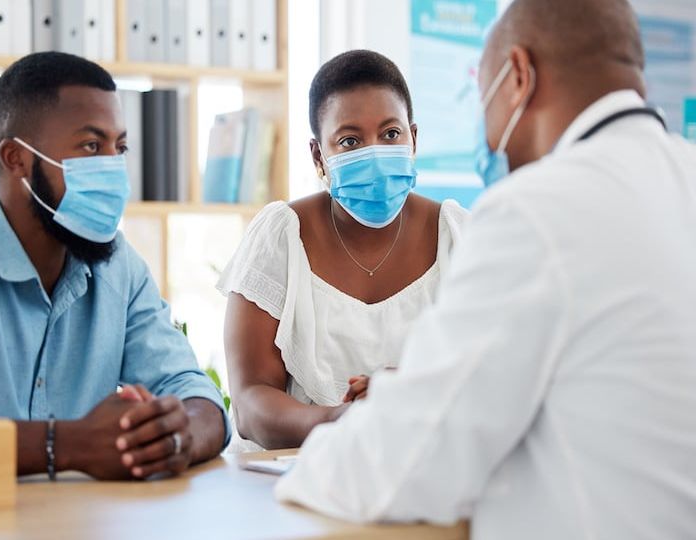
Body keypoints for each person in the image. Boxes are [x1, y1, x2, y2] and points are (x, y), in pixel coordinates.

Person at [276, 1, 696, 538]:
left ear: (518, 76)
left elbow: (405, 463)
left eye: (483, 99)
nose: (489, 133)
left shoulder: (536, 209)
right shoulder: (680, 176)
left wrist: (307, 466)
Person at [0, 52, 229, 480]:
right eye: (92, 146)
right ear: (16, 158)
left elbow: (195, 393)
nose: (114, 168)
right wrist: (66, 445)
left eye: (120, 148)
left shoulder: (119, 266)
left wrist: (174, 436)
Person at [218, 50, 468, 451]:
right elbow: (250, 403)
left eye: (390, 134)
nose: (374, 153)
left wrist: (411, 392)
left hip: (428, 475)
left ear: (414, 138)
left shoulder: (460, 238)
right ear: (319, 156)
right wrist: (340, 420)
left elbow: (498, 377)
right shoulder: (280, 236)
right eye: (350, 141)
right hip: (290, 483)